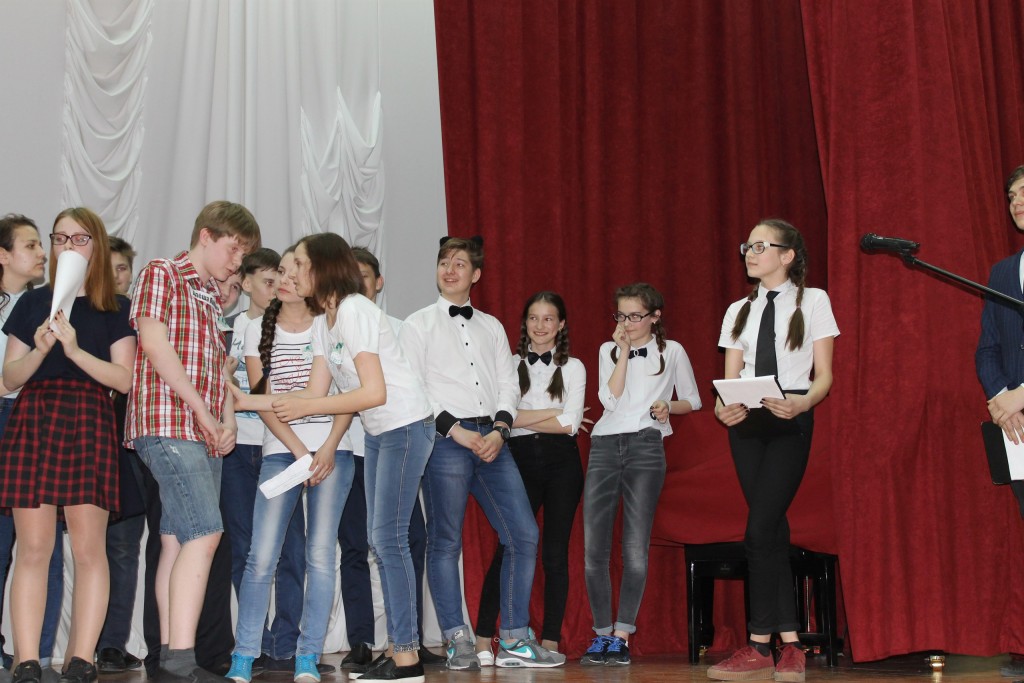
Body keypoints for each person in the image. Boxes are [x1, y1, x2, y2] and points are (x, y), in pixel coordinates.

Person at [233, 232, 435, 683]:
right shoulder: (327, 321)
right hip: (380, 431)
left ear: (322, 268)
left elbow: (373, 392)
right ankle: (399, 651)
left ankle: (407, 659)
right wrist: (246, 400)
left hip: (405, 425)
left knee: (389, 541)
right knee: (382, 541)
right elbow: (315, 392)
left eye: (299, 265)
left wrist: (306, 409)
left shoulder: (353, 310)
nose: (289, 274)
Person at [401, 236, 564, 670]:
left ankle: (513, 639)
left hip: (493, 439)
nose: (449, 269)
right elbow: (414, 388)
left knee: (523, 535)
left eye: (459, 263)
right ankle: (457, 639)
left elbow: (508, 382)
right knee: (445, 541)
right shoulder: (417, 325)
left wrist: (501, 429)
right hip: (445, 442)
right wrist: (454, 430)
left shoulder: (491, 326)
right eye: (444, 262)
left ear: (475, 274)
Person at [126, 200, 261, 683]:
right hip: (168, 422)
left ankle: (170, 659)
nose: (237, 262)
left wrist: (224, 418)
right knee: (205, 533)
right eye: (233, 249)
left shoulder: (209, 296)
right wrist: (202, 411)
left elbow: (217, 369)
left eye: (243, 255)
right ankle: (182, 660)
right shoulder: (162, 272)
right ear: (206, 236)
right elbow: (154, 344)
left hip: (202, 430)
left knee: (176, 539)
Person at [0, 207, 136, 683]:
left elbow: (123, 379)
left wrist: (75, 350)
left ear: (95, 244)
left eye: (79, 238)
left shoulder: (115, 306)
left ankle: (81, 658)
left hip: (89, 418)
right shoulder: (33, 303)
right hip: (35, 416)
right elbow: (8, 378)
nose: (66, 247)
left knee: (88, 548)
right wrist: (40, 349)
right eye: (59, 238)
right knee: (33, 548)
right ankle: (27, 659)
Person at [707, 219, 837, 683]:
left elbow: (824, 375)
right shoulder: (737, 309)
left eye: (762, 246)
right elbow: (729, 379)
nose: (751, 252)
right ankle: (791, 645)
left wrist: (803, 402)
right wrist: (722, 408)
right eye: (748, 245)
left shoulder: (814, 300)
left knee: (759, 528)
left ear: (787, 255)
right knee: (771, 530)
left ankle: (761, 644)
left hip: (790, 415)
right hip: (747, 421)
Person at [224, 246, 352, 683]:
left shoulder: (329, 324)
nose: (284, 278)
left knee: (321, 556)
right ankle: (244, 654)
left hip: (333, 451)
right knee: (261, 556)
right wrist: (299, 451)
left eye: (293, 270)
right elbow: (263, 402)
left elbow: (345, 395)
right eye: (280, 271)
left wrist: (328, 447)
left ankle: (307, 656)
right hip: (282, 451)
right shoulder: (254, 328)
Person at [580, 282, 700, 667]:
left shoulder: (672, 350)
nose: (627, 323)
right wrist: (623, 352)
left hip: (647, 445)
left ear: (655, 317)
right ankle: (601, 634)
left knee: (634, 546)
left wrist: (668, 405)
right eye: (621, 315)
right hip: (604, 445)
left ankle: (622, 635)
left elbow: (693, 400)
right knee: (594, 548)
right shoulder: (608, 349)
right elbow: (609, 399)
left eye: (635, 316)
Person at [474, 291, 589, 663]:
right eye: (534, 318)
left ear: (561, 324)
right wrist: (552, 413)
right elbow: (500, 415)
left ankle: (551, 640)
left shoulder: (574, 367)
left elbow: (571, 425)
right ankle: (482, 638)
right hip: (517, 458)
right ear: (524, 323)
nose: (541, 326)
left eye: (549, 318)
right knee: (508, 546)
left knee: (555, 553)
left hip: (562, 463)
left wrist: (521, 417)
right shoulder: (508, 364)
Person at [219, 249, 312, 675]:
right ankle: (251, 644)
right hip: (241, 448)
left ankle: (286, 644)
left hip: (281, 446)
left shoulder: (298, 327)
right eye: (268, 281)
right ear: (247, 283)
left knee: (292, 549)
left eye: (282, 280)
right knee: (246, 549)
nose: (276, 288)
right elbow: (227, 385)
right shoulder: (233, 328)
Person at [0, 214, 64, 674]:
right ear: (3, 255)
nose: (42, 253)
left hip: (38, 421)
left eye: (43, 244)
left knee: (44, 545)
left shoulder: (48, 303)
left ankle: (36, 656)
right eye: (30, 245)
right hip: (6, 414)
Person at [976, 164, 1024, 679]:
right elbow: (987, 348)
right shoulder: (1003, 272)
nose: (1016, 201)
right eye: (1011, 195)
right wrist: (999, 398)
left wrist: (1020, 395)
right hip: (1016, 425)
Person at [97, 235, 147, 674]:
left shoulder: (141, 317)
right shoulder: (82, 317)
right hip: (91, 443)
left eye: (123, 268)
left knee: (125, 547)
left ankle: (112, 644)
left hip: (136, 447)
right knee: (85, 548)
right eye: (109, 267)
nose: (117, 276)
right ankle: (83, 644)